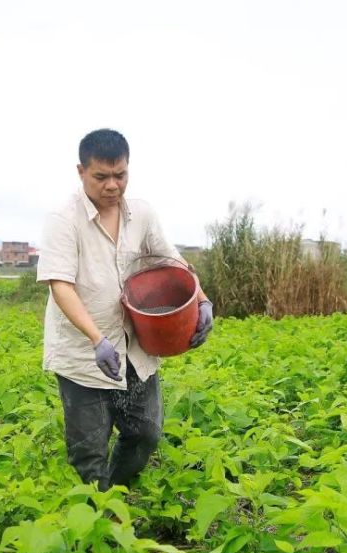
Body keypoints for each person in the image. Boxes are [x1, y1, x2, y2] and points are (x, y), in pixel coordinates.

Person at [36, 128, 214, 491]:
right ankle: (98, 519)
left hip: (134, 346)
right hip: (84, 355)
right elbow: (60, 286)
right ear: (81, 171)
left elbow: (172, 261)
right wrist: (96, 339)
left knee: (145, 432)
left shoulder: (141, 214)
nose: (113, 185)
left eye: (121, 175)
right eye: (102, 176)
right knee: (89, 451)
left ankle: (113, 498)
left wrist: (202, 300)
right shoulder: (63, 220)